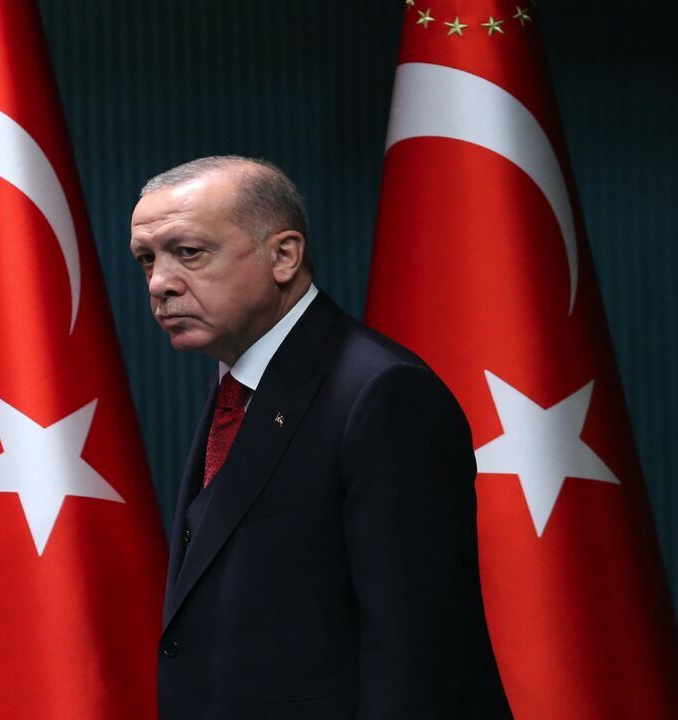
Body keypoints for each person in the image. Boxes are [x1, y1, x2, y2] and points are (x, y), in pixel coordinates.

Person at [130, 156, 511, 718]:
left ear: (284, 255)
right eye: (147, 259)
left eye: (188, 252)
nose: (159, 283)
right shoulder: (239, 383)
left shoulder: (383, 392)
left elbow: (420, 653)